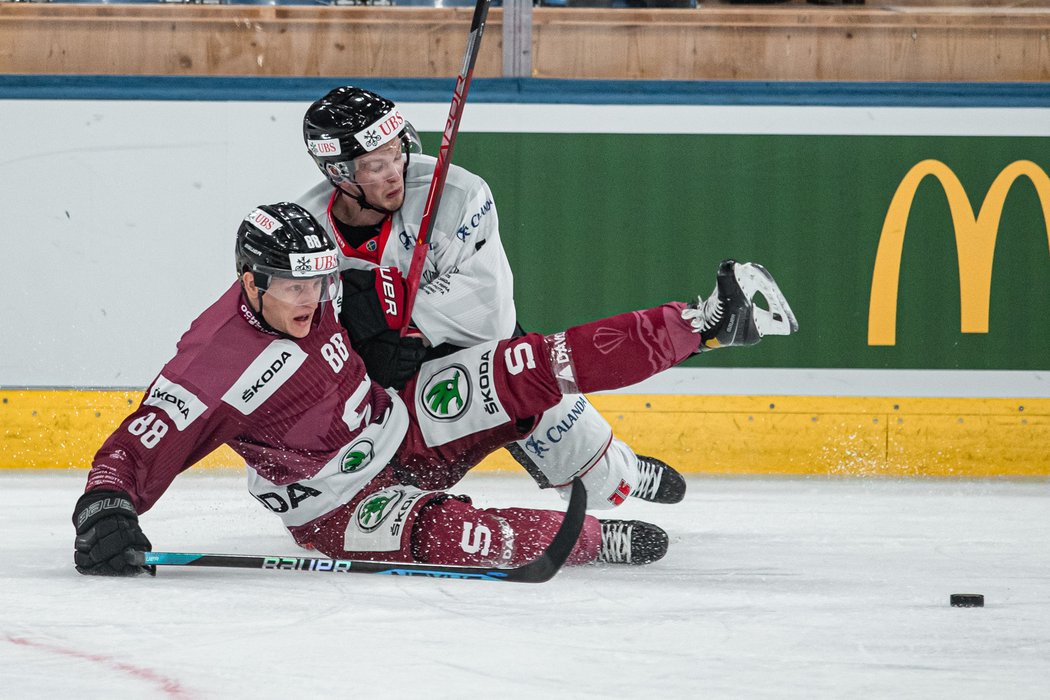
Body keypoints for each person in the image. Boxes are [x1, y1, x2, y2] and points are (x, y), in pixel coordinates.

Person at [71, 202, 798, 577]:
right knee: (462, 537)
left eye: (318, 280)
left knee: (527, 366)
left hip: (405, 424)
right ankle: (595, 538)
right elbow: (143, 440)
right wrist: (105, 508)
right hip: (341, 507)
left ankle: (703, 323)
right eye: (294, 285)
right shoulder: (215, 360)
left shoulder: (324, 294)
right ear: (250, 281)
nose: (311, 298)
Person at [296, 86, 686, 512]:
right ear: (339, 173)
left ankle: (621, 467)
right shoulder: (305, 231)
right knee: (388, 496)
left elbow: (490, 310)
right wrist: (363, 354)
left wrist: (410, 325)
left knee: (606, 487)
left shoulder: (456, 192)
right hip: (385, 385)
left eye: (396, 152)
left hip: (482, 353)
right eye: (375, 165)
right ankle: (572, 536)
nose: (394, 173)